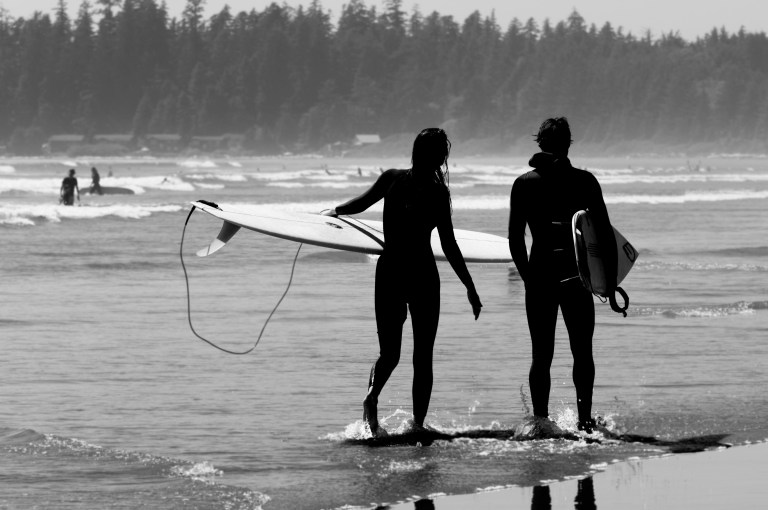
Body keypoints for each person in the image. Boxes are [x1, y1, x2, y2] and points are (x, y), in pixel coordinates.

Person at [324, 128, 483, 435]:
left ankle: (372, 397)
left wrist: (336, 211)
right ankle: (418, 426)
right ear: (439, 157)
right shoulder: (438, 193)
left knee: (390, 354)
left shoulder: (392, 179)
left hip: (390, 271)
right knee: (423, 357)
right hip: (422, 275)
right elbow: (448, 244)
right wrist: (470, 287)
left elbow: (361, 203)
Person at [508, 117, 618, 433]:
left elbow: (515, 238)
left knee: (541, 355)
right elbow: (605, 235)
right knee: (582, 352)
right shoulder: (585, 181)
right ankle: (585, 422)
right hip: (577, 277)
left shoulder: (524, 183)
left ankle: (540, 422)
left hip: (540, 274)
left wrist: (527, 277)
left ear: (540, 143)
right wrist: (609, 283)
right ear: (568, 144)